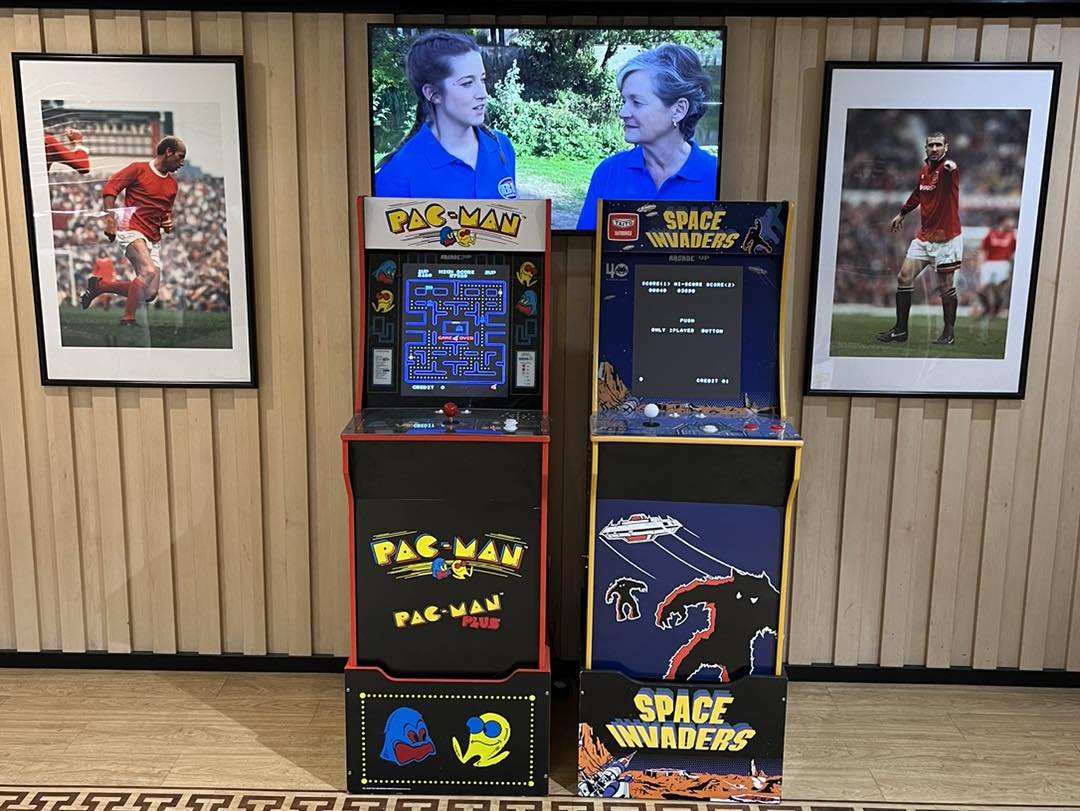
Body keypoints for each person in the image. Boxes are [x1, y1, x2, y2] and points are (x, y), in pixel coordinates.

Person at [576, 44, 716, 231]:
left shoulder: (715, 176)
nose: (623, 112)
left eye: (637, 102)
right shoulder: (608, 173)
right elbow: (586, 251)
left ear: (679, 109)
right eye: (624, 101)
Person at [374, 30, 517, 200]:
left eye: (483, 80)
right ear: (433, 94)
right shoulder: (396, 175)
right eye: (467, 83)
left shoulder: (502, 146)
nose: (483, 93)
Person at [79, 135, 186, 326]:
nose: (182, 162)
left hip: (152, 237)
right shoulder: (138, 169)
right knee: (148, 271)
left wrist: (167, 223)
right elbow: (110, 188)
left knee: (149, 293)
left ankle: (100, 286)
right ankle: (128, 319)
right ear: (168, 152)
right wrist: (110, 220)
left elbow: (165, 213)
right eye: (180, 156)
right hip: (131, 229)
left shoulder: (172, 185)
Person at [877, 131, 962, 346]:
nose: (934, 149)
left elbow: (951, 169)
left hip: (946, 240)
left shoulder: (947, 170)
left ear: (946, 147)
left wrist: (950, 166)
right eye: (931, 145)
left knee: (945, 287)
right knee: (904, 278)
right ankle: (900, 331)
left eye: (938, 145)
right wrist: (902, 213)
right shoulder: (924, 171)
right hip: (925, 238)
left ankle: (948, 333)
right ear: (925, 148)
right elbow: (918, 193)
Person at [976, 216, 1016, 319]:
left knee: (997, 290)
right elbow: (983, 251)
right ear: (1003, 222)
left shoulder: (1012, 236)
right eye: (1010, 221)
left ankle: (995, 310)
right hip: (989, 264)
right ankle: (987, 308)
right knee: (981, 290)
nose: (1012, 224)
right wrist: (979, 265)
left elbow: (1014, 252)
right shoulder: (991, 234)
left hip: (1003, 264)